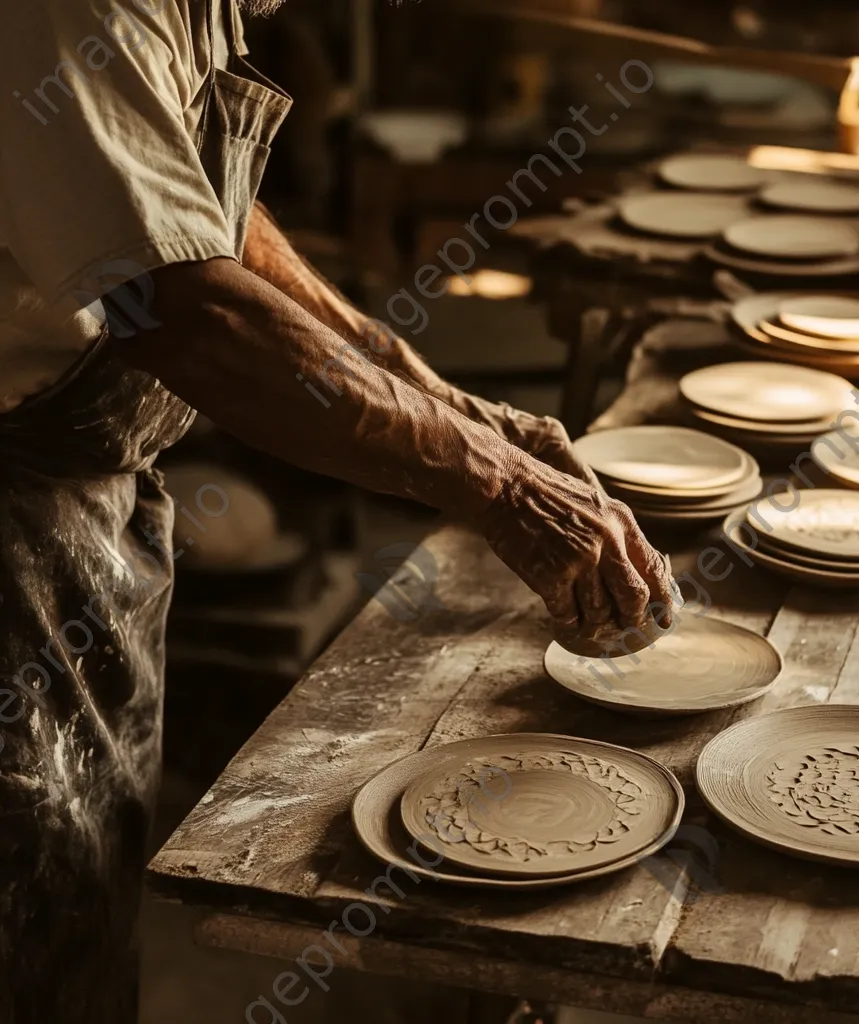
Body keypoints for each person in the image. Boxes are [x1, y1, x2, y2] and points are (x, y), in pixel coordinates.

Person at [0, 0, 675, 1019]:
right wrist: (495, 483)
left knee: (84, 895)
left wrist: (450, 403)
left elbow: (190, 205)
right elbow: (185, 306)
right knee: (25, 916)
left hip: (81, 488)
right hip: (11, 508)